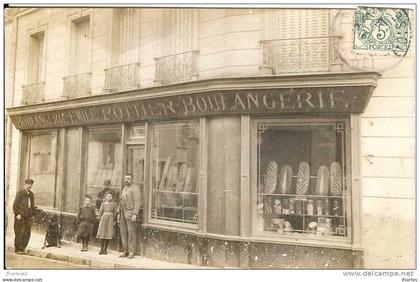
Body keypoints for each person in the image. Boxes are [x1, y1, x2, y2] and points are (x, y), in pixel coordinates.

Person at [118, 173, 142, 259]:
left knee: (131, 232)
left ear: (132, 180)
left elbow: (137, 201)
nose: (126, 180)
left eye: (128, 179)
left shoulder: (135, 188)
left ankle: (131, 252)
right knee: (123, 232)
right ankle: (126, 251)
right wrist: (119, 213)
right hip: (122, 213)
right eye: (125, 178)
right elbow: (121, 201)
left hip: (130, 213)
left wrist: (135, 213)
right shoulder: (125, 188)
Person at [13, 179, 37, 254]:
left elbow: (32, 206)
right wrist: (17, 214)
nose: (30, 185)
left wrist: (33, 215)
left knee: (27, 233)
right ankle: (18, 249)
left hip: (28, 216)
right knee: (19, 232)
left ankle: (23, 248)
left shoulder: (32, 194)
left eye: (31, 184)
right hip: (20, 216)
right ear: (25, 184)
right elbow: (15, 204)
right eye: (28, 184)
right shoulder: (20, 193)